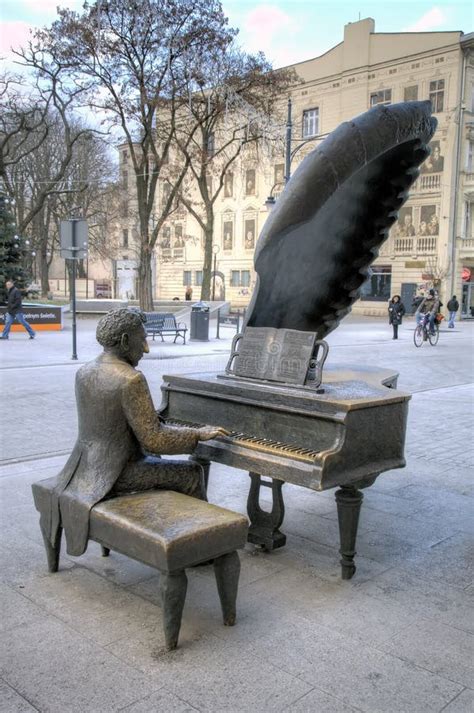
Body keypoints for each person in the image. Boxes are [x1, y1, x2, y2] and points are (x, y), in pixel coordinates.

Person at [45, 308, 227, 556]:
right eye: (142, 339)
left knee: (162, 466)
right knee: (192, 473)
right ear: (124, 341)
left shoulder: (85, 371)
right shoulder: (130, 379)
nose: (147, 348)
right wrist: (197, 435)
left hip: (83, 467)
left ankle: (169, 530)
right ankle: (197, 551)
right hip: (116, 474)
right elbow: (154, 440)